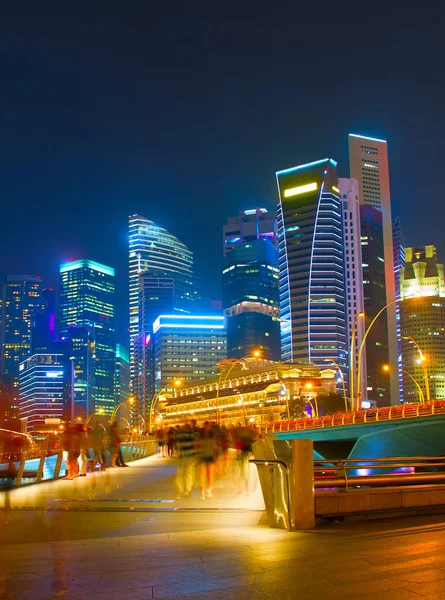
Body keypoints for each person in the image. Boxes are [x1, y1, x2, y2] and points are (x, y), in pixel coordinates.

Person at [175, 422, 195, 498]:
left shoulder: (180, 434)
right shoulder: (192, 434)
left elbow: (177, 444)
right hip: (189, 455)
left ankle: (180, 490)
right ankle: (187, 489)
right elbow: (194, 444)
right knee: (189, 473)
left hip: (182, 456)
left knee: (179, 474)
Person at [198, 421, 216, 499]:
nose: (208, 428)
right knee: (203, 474)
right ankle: (203, 490)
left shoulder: (211, 435)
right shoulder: (202, 435)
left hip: (209, 455)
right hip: (204, 456)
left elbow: (215, 446)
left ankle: (208, 489)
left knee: (209, 474)